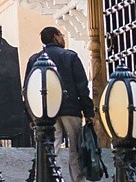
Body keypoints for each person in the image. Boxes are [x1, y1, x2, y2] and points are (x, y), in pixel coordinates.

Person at [38, 27, 93, 182]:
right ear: (55, 37)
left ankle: (53, 177)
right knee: (76, 148)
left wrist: (32, 116)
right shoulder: (70, 57)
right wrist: (88, 112)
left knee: (52, 147)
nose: (63, 38)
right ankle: (78, 179)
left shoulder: (35, 59)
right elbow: (81, 86)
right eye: (61, 35)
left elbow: (29, 89)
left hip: (47, 112)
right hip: (71, 109)